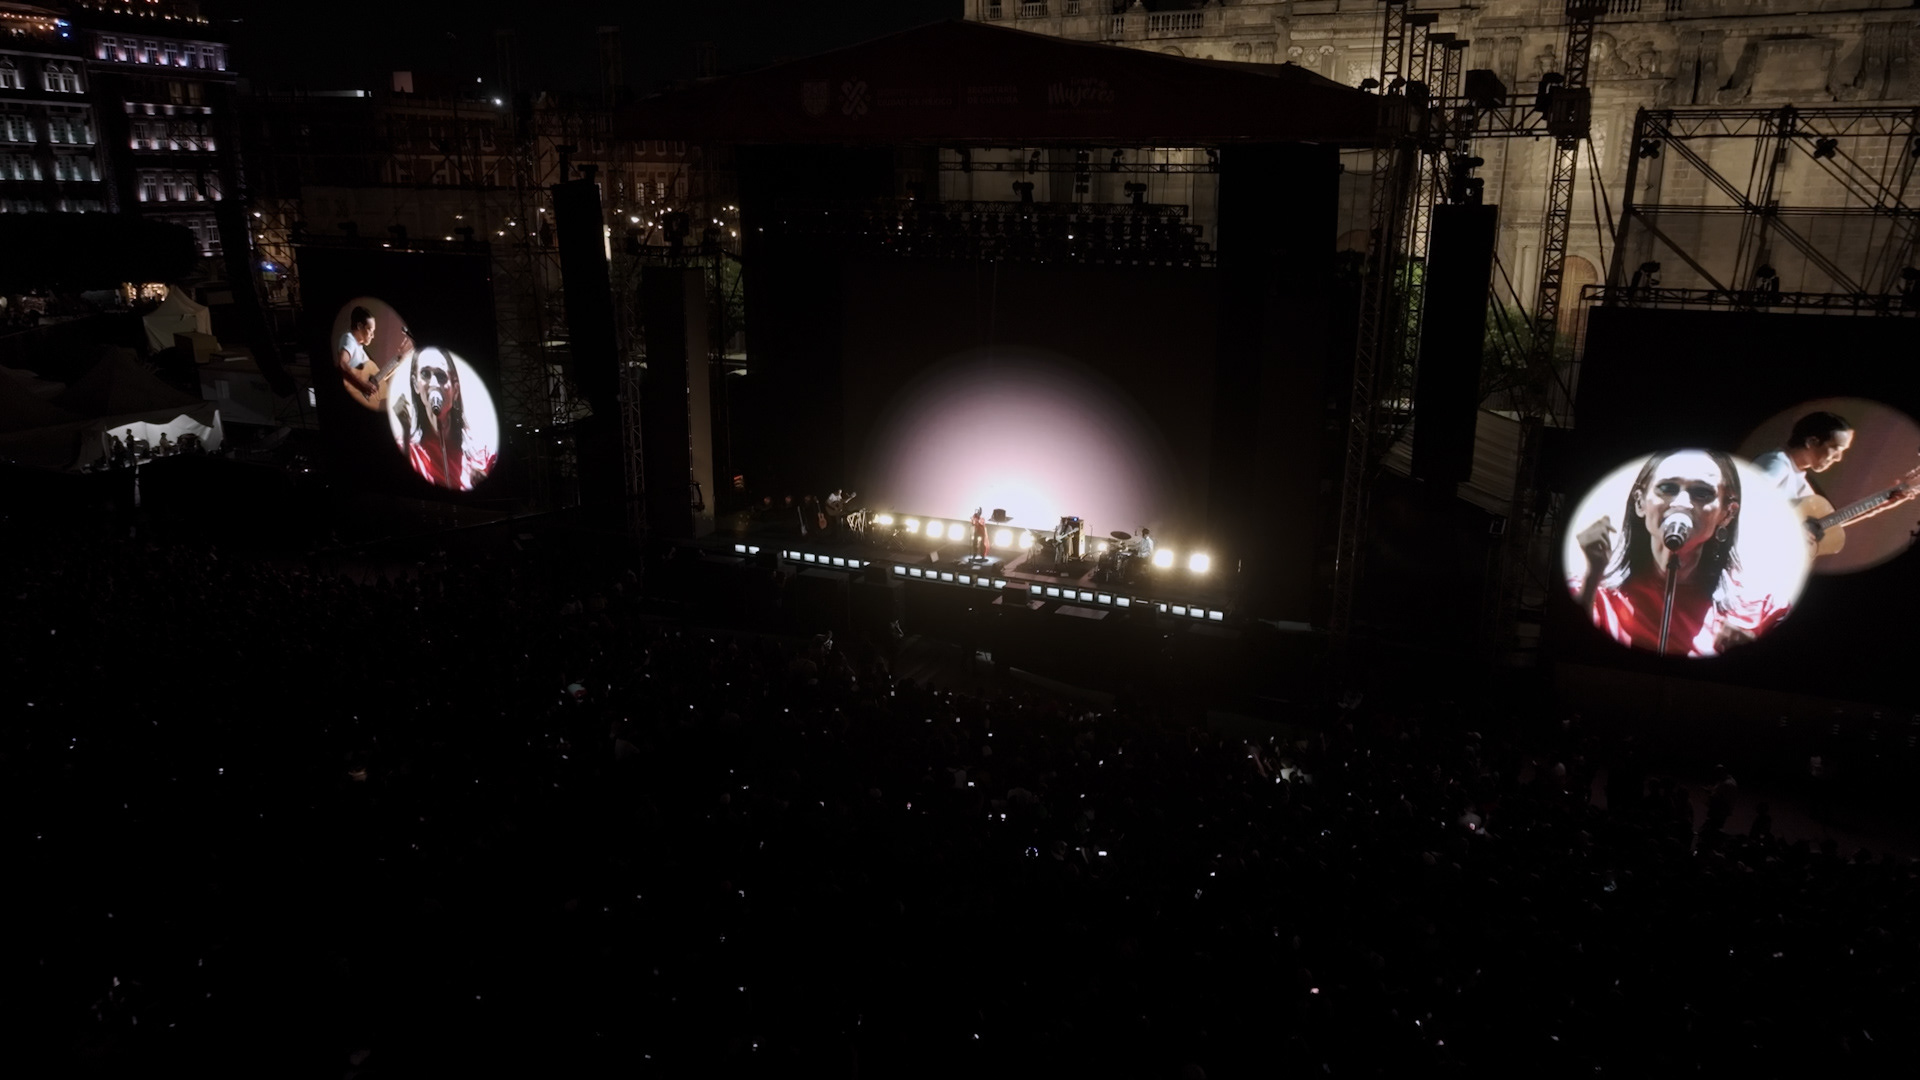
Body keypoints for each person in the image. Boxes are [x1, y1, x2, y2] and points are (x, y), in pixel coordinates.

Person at [1570, 448, 1788, 657]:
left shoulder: (1760, 611)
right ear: (1640, 502)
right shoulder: (1594, 593)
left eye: (1702, 493)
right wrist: (1591, 579)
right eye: (1667, 488)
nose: (1682, 503)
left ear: (1727, 514)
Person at [1752, 410, 1913, 526]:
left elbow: (1827, 523)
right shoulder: (1777, 464)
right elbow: (1746, 500)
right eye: (1836, 448)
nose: (1838, 458)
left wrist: (1884, 502)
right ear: (1812, 442)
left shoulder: (1799, 478)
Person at [395, 347, 493, 491]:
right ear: (416, 384)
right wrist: (405, 434)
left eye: (441, 376)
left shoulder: (481, 453)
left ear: (455, 390)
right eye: (425, 374)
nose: (433, 384)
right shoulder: (407, 447)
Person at [337, 306, 379, 400]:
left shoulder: (361, 350)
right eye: (370, 330)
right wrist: (362, 385)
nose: (372, 336)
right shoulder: (349, 338)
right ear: (359, 326)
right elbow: (342, 364)